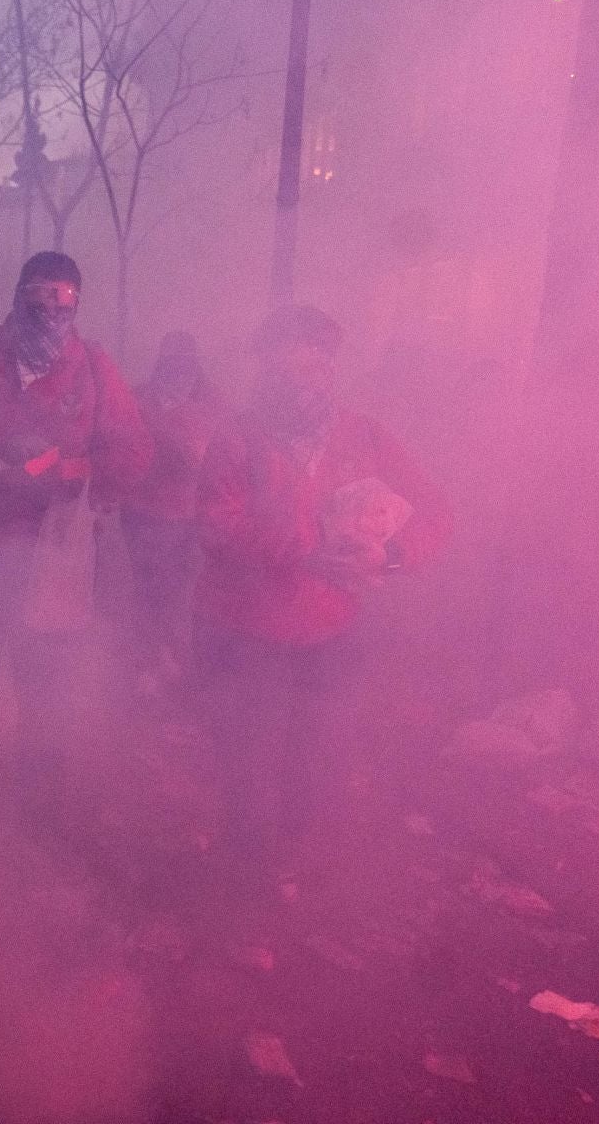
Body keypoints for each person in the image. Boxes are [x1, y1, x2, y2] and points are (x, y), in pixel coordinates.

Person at [191, 304, 450, 885]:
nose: (304, 380)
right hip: (246, 627)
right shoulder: (238, 436)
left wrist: (390, 553)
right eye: (289, 367)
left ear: (331, 367)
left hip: (331, 629)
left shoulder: (364, 436)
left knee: (315, 759)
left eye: (316, 365)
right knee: (249, 758)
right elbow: (215, 522)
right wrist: (303, 547)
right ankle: (243, 880)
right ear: (266, 368)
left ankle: (288, 861)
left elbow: (435, 512)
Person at [0, 251, 152, 812]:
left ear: (78, 304)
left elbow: (133, 451)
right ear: (19, 294)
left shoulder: (93, 367)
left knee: (43, 672)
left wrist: (67, 468)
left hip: (51, 550)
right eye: (40, 296)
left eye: (64, 299)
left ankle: (37, 801)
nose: (50, 309)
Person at [122, 331, 223, 694]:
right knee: (148, 589)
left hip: (189, 516)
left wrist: (189, 455)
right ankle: (150, 665)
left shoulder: (211, 405)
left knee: (181, 593)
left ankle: (176, 667)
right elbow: (122, 446)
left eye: (185, 359)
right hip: (142, 512)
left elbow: (215, 459)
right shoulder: (140, 398)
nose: (178, 367)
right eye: (171, 357)